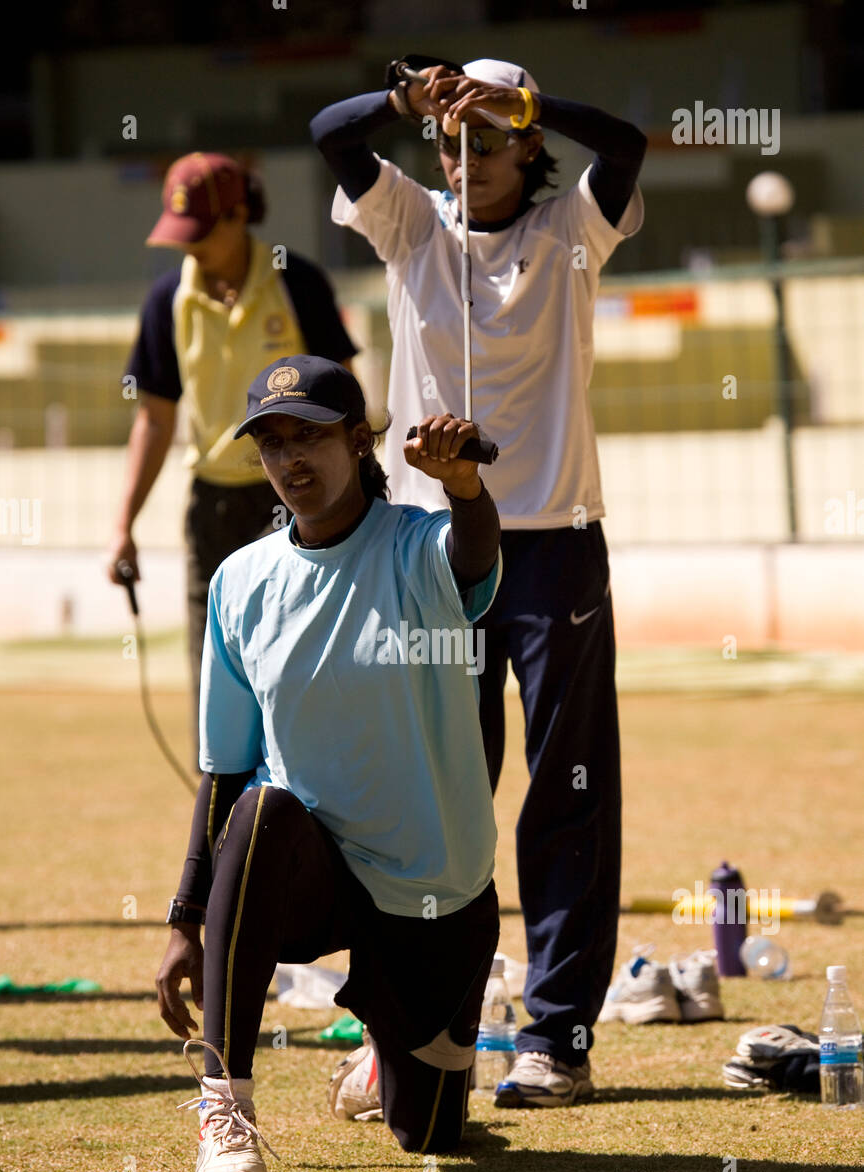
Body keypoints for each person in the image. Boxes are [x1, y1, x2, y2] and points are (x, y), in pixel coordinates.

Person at [311, 58, 646, 1107]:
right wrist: (412, 102)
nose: (469, 159)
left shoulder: (569, 231)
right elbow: (329, 131)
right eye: (452, 143)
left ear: (529, 147)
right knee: (428, 799)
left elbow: (626, 143)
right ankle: (412, 1028)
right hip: (431, 546)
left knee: (564, 794)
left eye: (492, 139)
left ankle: (556, 1035)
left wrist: (522, 101)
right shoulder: (412, 224)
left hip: (552, 545)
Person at [155, 355, 503, 1172]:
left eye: (309, 436)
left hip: (435, 894)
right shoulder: (240, 583)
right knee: (263, 807)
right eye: (271, 443)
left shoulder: (418, 546)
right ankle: (224, 1107)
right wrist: (183, 919)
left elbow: (472, 557)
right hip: (315, 872)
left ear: (358, 441)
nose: (290, 460)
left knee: (436, 1139)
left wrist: (463, 488)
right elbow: (226, 770)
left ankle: (392, 1051)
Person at [106, 152, 357, 754]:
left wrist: (357, 497)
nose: (188, 248)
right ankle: (223, 830)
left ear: (240, 213)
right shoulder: (166, 299)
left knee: (310, 665)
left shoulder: (298, 283)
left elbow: (346, 396)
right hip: (213, 509)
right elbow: (155, 418)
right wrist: (123, 525)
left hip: (306, 502)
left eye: (202, 232)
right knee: (216, 679)